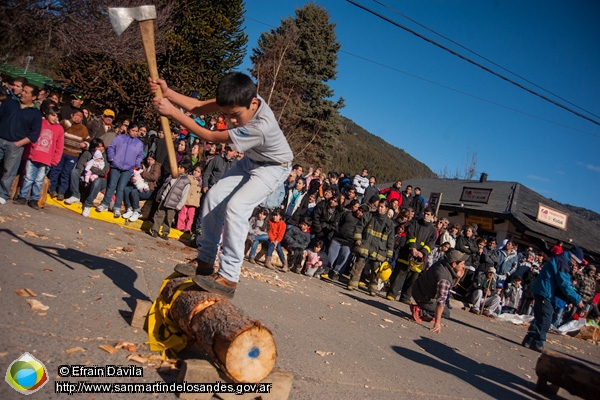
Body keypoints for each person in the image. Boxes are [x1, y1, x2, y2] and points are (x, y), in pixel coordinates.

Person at [150, 72, 293, 299]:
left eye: (235, 116)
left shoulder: (261, 126)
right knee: (213, 197)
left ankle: (229, 276)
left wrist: (172, 112)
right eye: (225, 114)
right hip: (250, 161)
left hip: (274, 167)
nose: (230, 120)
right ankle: (205, 260)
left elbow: (210, 135)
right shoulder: (238, 98)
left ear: (253, 103)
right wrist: (168, 93)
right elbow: (197, 107)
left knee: (237, 207)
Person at [522, 246, 585, 352]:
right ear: (573, 259)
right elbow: (564, 284)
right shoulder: (563, 262)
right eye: (577, 263)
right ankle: (537, 342)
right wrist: (578, 300)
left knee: (540, 317)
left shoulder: (561, 260)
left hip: (543, 289)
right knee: (546, 318)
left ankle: (529, 339)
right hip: (545, 291)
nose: (577, 266)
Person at [13, 102, 63, 209]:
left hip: (47, 159)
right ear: (47, 114)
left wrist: (55, 160)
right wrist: (27, 154)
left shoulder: (59, 129)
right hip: (33, 155)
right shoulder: (39, 123)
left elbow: (59, 146)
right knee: (28, 178)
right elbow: (31, 137)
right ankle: (23, 196)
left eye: (57, 116)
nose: (55, 118)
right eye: (53, 115)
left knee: (39, 180)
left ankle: (34, 199)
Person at [0, 82, 43, 205]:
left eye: (26, 92)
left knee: (9, 171)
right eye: (22, 90)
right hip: (1, 138)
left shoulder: (35, 114)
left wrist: (18, 144)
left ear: (33, 97)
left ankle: (3, 194)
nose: (22, 93)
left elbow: (34, 134)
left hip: (15, 146)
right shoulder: (10, 103)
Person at [411, 249, 468, 333]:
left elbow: (451, 285)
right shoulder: (444, 278)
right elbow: (441, 301)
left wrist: (458, 277)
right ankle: (420, 311)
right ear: (454, 264)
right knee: (445, 313)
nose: (464, 266)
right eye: (462, 264)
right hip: (423, 296)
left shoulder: (442, 263)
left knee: (442, 311)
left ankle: (424, 311)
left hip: (418, 287)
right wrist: (437, 323)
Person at [347, 199, 395, 295]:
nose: (379, 208)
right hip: (365, 244)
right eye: (379, 206)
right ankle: (352, 283)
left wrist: (388, 254)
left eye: (382, 207)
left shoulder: (389, 223)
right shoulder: (369, 215)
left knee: (376, 269)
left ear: (386, 209)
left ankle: (373, 288)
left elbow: (391, 239)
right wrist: (358, 238)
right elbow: (359, 227)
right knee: (359, 264)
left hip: (379, 248)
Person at [96, 123, 144, 218]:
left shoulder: (139, 143)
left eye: (136, 131)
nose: (134, 133)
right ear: (128, 130)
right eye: (133, 130)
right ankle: (104, 204)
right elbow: (111, 147)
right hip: (116, 165)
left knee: (120, 188)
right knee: (111, 185)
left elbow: (140, 155)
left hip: (128, 169)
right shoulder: (120, 138)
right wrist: (112, 158)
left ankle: (117, 207)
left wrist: (136, 163)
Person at [48, 109, 90, 200]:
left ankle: (61, 192)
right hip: (61, 151)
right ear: (72, 115)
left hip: (73, 154)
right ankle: (51, 189)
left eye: (80, 117)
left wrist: (85, 144)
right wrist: (71, 121)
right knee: (56, 170)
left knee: (66, 173)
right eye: (76, 115)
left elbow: (88, 140)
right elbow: (59, 129)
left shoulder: (83, 128)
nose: (78, 118)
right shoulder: (65, 123)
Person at [151, 161, 192, 239]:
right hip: (164, 200)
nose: (178, 168)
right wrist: (161, 196)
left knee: (169, 219)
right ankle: (155, 230)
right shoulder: (172, 176)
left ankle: (165, 232)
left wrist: (179, 205)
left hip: (174, 203)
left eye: (181, 167)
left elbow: (184, 195)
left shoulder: (186, 181)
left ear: (185, 170)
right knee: (159, 215)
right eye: (178, 166)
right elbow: (165, 187)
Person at [121, 152, 161, 222]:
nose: (149, 161)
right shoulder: (142, 165)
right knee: (126, 189)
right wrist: (132, 179)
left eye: (151, 160)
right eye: (148, 159)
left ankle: (137, 210)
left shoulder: (156, 166)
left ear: (154, 160)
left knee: (134, 192)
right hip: (138, 184)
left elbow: (154, 177)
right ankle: (129, 208)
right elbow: (135, 173)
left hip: (149, 189)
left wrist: (143, 173)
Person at [176, 163, 202, 232]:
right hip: (186, 199)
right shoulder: (189, 177)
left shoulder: (200, 182)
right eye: (195, 170)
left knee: (190, 216)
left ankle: (188, 228)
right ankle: (180, 226)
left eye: (198, 172)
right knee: (182, 213)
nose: (195, 172)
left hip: (193, 202)